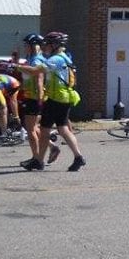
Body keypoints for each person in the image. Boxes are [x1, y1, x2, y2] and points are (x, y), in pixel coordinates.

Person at [30, 32, 85, 172]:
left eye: (47, 43)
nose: (45, 46)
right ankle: (78, 157)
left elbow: (37, 70)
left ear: (54, 45)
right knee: (63, 129)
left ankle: (38, 161)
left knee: (44, 130)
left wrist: (16, 66)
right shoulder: (66, 57)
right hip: (64, 98)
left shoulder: (56, 59)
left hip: (55, 99)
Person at [16, 34, 56, 166]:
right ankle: (52, 147)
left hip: (34, 98)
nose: (25, 47)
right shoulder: (31, 58)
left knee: (30, 129)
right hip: (30, 97)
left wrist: (39, 99)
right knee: (34, 127)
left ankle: (36, 158)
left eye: (27, 45)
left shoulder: (36, 60)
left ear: (34, 46)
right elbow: (28, 79)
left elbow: (39, 80)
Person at [0, 72, 21, 136]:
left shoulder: (6, 78)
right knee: (3, 109)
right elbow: (13, 101)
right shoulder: (16, 84)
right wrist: (16, 117)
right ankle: (4, 133)